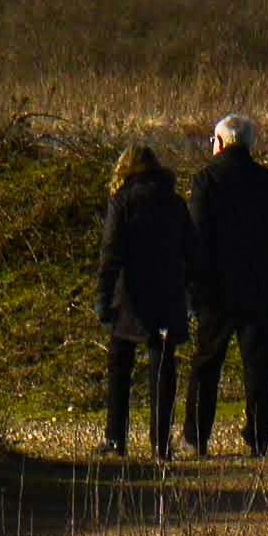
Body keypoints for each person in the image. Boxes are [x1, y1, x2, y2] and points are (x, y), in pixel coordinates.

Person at [183, 111, 268, 456]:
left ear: (220, 142)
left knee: (207, 365)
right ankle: (259, 437)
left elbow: (195, 239)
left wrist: (193, 288)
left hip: (216, 291)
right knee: (258, 368)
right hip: (259, 288)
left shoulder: (205, 181)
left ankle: (198, 436)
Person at [92, 141, 197, 458]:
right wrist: (190, 293)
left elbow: (111, 251)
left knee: (120, 365)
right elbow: (190, 251)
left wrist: (103, 295)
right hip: (168, 293)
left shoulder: (122, 201)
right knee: (163, 369)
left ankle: (116, 439)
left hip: (130, 294)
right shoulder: (175, 202)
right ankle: (161, 444)